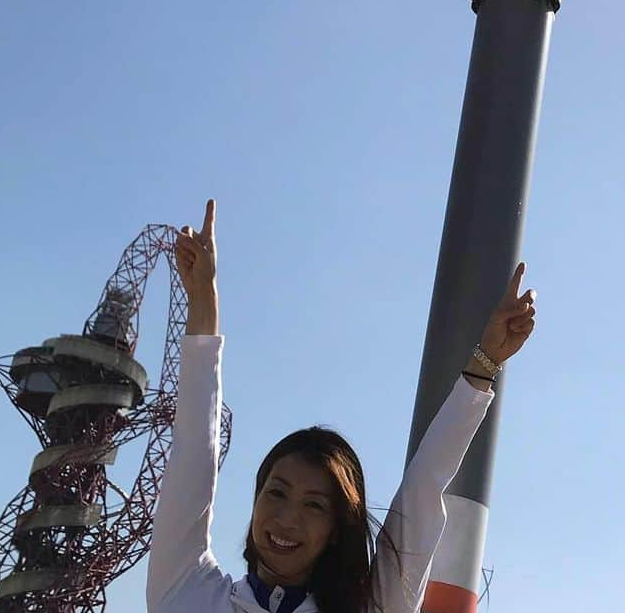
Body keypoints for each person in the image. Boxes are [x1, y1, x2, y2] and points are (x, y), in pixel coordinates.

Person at [146, 199, 537, 613]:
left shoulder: (374, 607)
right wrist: (204, 300)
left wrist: (485, 364)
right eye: (276, 493)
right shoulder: (187, 591)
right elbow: (192, 454)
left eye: (314, 504)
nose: (286, 519)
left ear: (336, 529)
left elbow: (423, 488)